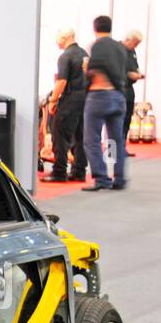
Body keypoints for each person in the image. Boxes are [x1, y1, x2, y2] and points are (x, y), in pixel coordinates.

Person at [82, 15, 130, 191]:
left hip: (99, 96)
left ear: (95, 28)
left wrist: (86, 72)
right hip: (118, 97)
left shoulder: (96, 46)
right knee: (116, 140)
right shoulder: (120, 46)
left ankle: (102, 178)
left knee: (91, 139)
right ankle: (119, 178)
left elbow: (92, 70)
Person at [45, 27, 87, 182]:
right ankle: (79, 170)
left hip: (70, 99)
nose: (57, 43)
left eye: (57, 39)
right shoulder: (84, 54)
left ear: (64, 38)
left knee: (60, 134)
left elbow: (61, 81)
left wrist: (53, 100)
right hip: (85, 99)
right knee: (80, 135)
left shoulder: (65, 56)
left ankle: (59, 171)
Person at [122, 30, 145, 155]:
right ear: (128, 39)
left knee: (127, 120)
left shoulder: (132, 52)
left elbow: (134, 68)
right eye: (135, 43)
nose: (136, 46)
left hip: (129, 90)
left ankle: (122, 148)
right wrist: (133, 75)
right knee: (116, 122)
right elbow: (121, 72)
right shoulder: (118, 50)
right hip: (119, 90)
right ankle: (112, 151)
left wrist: (138, 74)